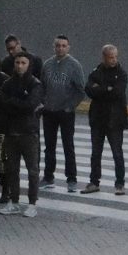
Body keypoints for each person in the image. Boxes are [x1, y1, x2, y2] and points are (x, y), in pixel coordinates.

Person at [0, 49, 45, 215]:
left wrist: (12, 103)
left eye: (23, 63)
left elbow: (30, 105)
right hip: (11, 132)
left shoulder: (35, 83)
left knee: (32, 170)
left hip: (29, 133)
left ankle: (32, 204)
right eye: (17, 63)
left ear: (29, 65)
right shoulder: (9, 83)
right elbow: (0, 100)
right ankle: (14, 201)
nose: (20, 66)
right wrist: (16, 104)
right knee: (12, 169)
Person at [39, 36, 88, 193]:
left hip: (66, 112)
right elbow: (42, 86)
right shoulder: (47, 64)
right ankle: (48, 176)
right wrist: (44, 103)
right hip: (49, 111)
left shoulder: (74, 65)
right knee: (49, 146)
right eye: (58, 45)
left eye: (63, 46)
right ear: (54, 47)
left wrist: (70, 106)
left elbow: (80, 90)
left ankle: (72, 179)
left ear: (68, 47)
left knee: (68, 146)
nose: (60, 48)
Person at [83, 43, 128, 194]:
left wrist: (100, 89)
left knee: (117, 153)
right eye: (110, 57)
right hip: (98, 119)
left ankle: (120, 183)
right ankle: (94, 182)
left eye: (115, 57)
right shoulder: (96, 71)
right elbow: (89, 89)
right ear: (104, 57)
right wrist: (106, 88)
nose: (113, 60)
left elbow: (117, 92)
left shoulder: (121, 73)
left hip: (115, 120)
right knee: (96, 153)